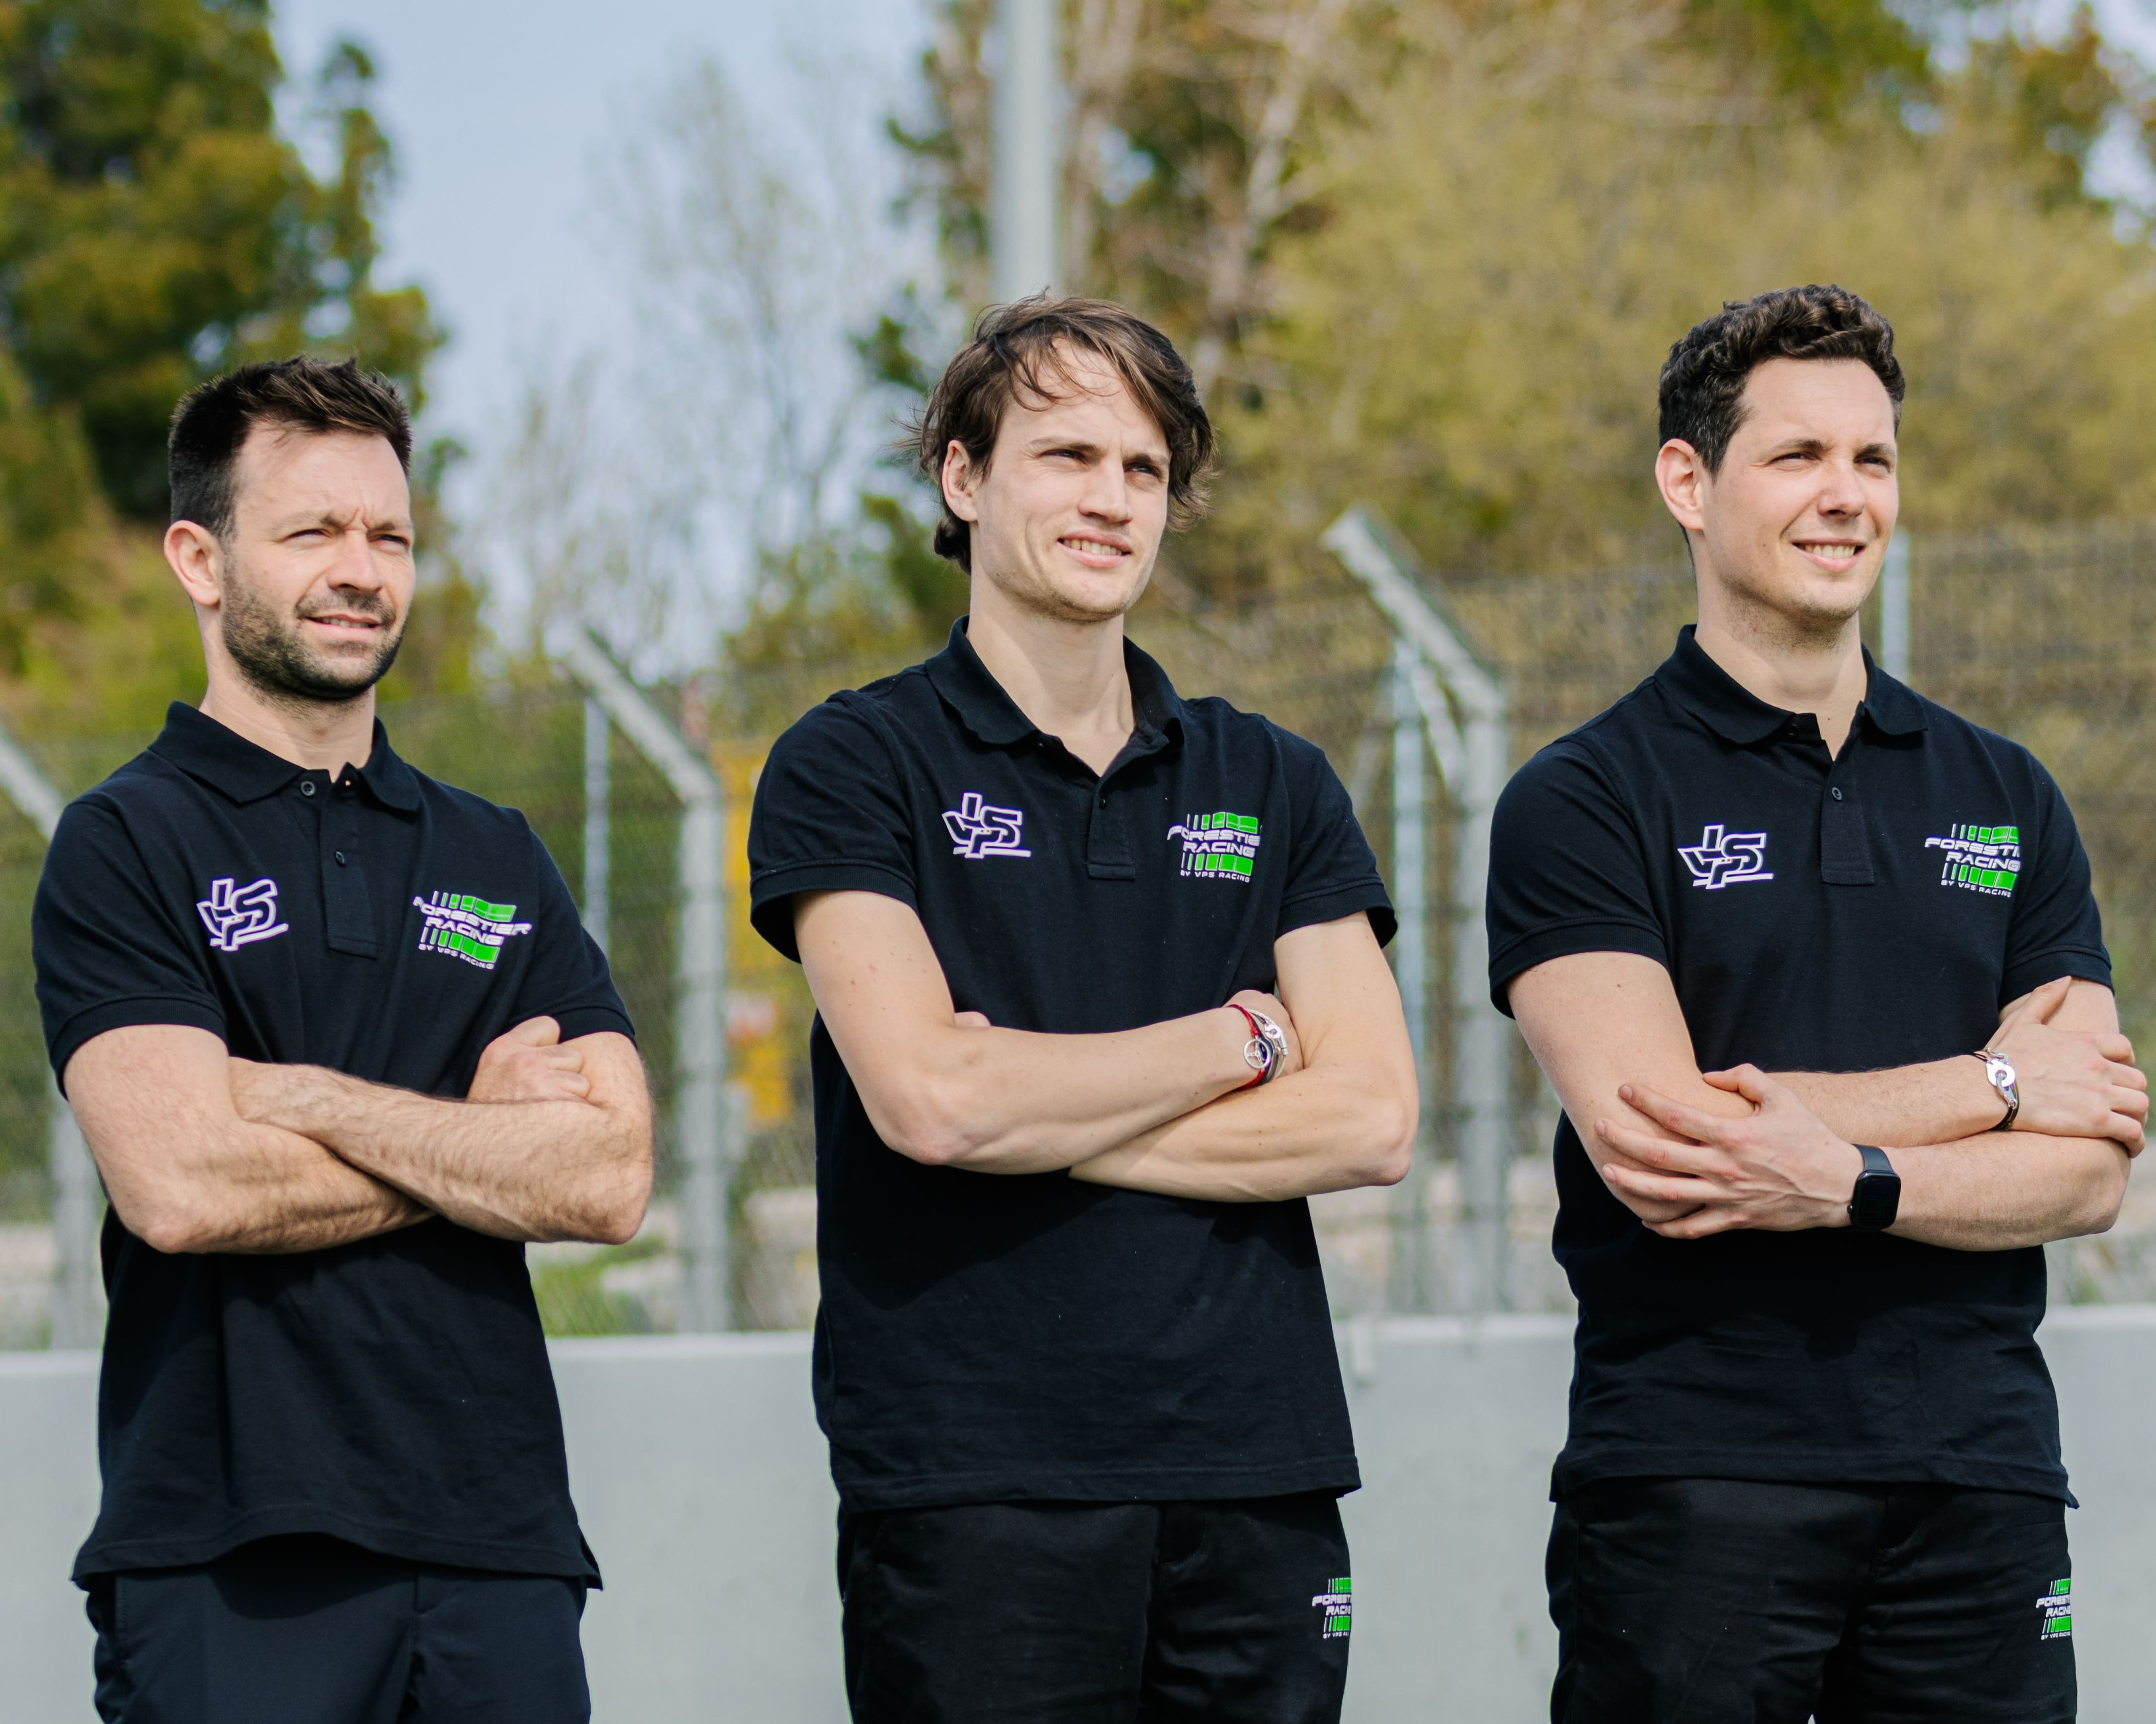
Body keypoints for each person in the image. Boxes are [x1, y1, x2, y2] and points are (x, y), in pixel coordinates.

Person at [746, 295, 1418, 1723]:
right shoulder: (852, 762)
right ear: (964, 477)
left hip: (1259, 1474)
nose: (1110, 498)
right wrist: (1236, 1043)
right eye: (1065, 456)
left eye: (1142, 469)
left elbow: (1369, 1114)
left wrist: (1030, 1114)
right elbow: (926, 1099)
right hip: (975, 1479)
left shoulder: (1272, 778)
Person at [1487, 283, 2148, 1723]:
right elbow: (1659, 1140)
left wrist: (1843, 1172)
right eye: (1797, 457)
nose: (1843, 496)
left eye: (1872, 460)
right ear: (1687, 481)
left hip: (1978, 1477)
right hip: (1694, 1480)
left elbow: (2091, 1163)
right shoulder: (1583, 798)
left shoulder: (2003, 790)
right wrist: (1992, 1084)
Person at [32, 356, 653, 1724]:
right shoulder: (125, 843)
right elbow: (185, 1186)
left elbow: (607, 1177)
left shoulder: (493, 851)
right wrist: (481, 1138)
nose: (360, 569)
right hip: (230, 1554)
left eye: (389, 536)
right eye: (312, 531)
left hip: (499, 1548)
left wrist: (298, 1095)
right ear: (200, 557)